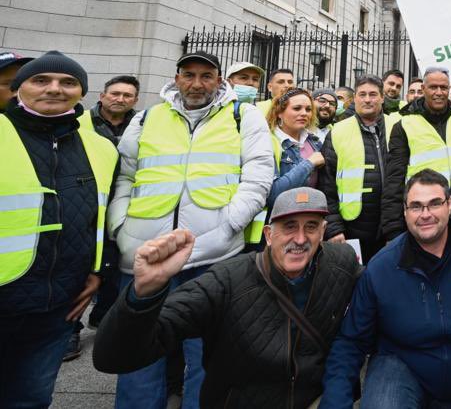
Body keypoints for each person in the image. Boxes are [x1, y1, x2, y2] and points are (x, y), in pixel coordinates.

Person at [108, 50, 274, 409]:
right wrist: (120, 228)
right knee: (138, 357)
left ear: (219, 80)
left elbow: (259, 175)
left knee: (207, 357)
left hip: (212, 256)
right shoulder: (148, 117)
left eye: (206, 75)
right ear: (177, 77)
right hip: (144, 253)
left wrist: (230, 224)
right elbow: (124, 175)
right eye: (189, 74)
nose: (197, 83)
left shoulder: (242, 117)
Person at [93, 187, 360, 408]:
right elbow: (114, 357)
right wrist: (144, 293)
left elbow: (381, 291)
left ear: (323, 233)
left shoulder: (341, 263)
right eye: (289, 227)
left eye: (311, 227)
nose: (300, 238)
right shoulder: (227, 281)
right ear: (269, 235)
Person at [321, 169, 451, 408]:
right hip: (401, 367)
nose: (425, 214)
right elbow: (350, 341)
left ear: (449, 205)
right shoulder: (381, 267)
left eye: (434, 204)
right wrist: (335, 403)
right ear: (404, 212)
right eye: (416, 206)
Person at [0, 51, 119, 408]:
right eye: (41, 80)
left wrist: (99, 270)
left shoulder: (101, 147)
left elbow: (101, 216)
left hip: (57, 306)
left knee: (32, 399)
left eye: (68, 82)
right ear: (19, 89)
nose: (55, 89)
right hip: (6, 295)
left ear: (81, 91)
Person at [72, 74, 141, 349]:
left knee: (114, 267)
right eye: (115, 93)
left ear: (135, 100)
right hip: (88, 203)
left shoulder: (141, 124)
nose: (120, 99)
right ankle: (71, 329)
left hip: (124, 204)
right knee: (81, 269)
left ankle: (103, 317)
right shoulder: (80, 123)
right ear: (102, 96)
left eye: (127, 95)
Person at [383, 67, 451, 229]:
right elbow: (394, 180)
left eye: (444, 87)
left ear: (450, 89)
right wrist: (393, 229)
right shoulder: (404, 125)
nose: (439, 92)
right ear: (424, 89)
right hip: (423, 212)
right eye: (433, 87)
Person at [321, 75, 395, 262]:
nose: (367, 99)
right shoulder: (338, 131)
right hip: (352, 227)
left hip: (393, 225)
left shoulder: (397, 127)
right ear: (355, 99)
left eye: (373, 94)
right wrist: (334, 227)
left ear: (382, 98)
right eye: (362, 94)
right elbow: (326, 184)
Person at [266, 88, 325, 216]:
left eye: (308, 109)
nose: (304, 113)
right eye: (297, 108)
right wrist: (309, 163)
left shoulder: (315, 142)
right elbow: (272, 195)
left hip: (312, 217)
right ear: (279, 112)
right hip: (280, 220)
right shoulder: (267, 142)